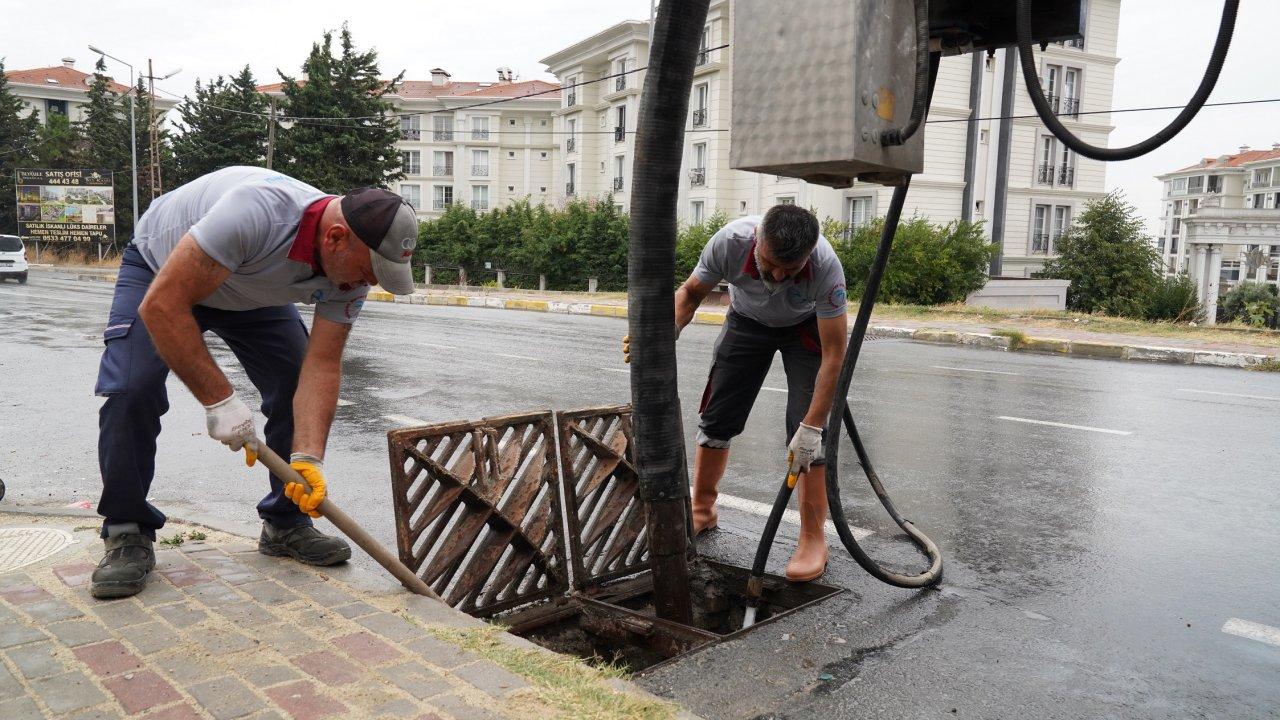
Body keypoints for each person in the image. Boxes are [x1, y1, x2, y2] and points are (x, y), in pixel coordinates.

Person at [90, 166, 419, 599]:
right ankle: (126, 528)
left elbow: (321, 366)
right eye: (367, 271)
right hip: (162, 271)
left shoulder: (350, 270)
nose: (367, 284)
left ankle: (286, 522)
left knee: (292, 378)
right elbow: (164, 307)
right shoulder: (256, 213)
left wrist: (308, 459)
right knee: (133, 388)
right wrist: (220, 401)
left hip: (252, 294)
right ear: (335, 238)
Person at [625, 205, 848, 581]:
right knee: (717, 416)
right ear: (757, 239)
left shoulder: (826, 267)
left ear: (808, 256)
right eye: (770, 263)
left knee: (809, 434)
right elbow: (691, 293)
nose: (777, 275)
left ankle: (813, 539)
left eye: (789, 271)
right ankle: (702, 508)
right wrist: (663, 334)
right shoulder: (729, 241)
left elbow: (834, 354)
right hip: (746, 322)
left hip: (805, 328)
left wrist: (811, 427)